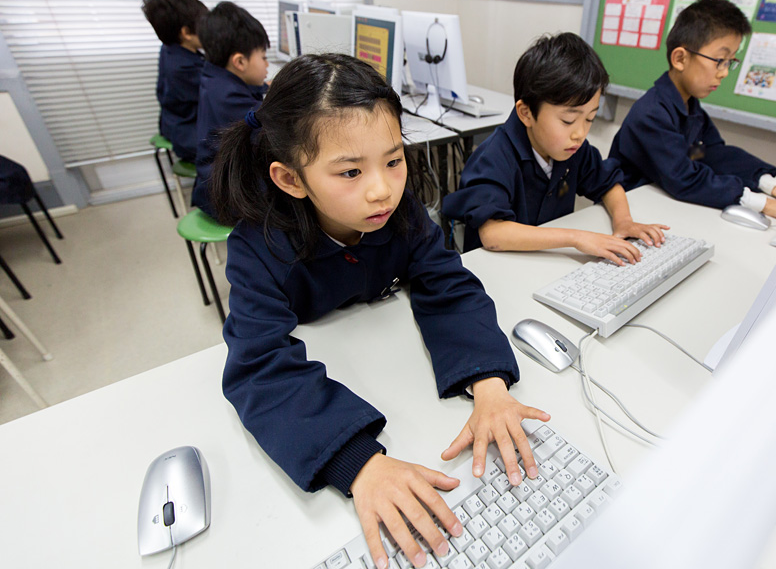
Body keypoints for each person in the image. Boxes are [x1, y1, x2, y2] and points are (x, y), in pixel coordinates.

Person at [211, 53, 548, 569]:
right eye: (350, 171)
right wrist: (359, 462)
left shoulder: (398, 211)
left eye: (393, 161)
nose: (382, 189)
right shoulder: (257, 247)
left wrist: (488, 382)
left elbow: (446, 281)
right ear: (291, 179)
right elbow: (259, 366)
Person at [442, 32, 668, 264]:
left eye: (589, 119)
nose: (580, 133)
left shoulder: (572, 149)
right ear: (526, 113)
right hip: (497, 268)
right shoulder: (494, 157)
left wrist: (624, 221)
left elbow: (608, 184)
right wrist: (576, 238)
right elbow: (493, 234)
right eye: (568, 121)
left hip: (545, 262)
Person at [608, 0, 776, 221]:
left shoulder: (691, 107)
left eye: (730, 62)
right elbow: (683, 178)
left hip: (664, 202)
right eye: (719, 60)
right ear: (680, 59)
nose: (724, 72)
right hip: (631, 209)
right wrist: (765, 205)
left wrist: (774, 187)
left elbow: (712, 154)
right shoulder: (651, 114)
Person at [191, 1, 270, 217]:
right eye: (263, 57)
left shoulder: (215, 77)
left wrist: (266, 86)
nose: (267, 65)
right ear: (239, 62)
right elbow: (270, 127)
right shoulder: (229, 97)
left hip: (218, 180)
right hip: (225, 195)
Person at [140, 0, 208, 162]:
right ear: (186, 33)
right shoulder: (182, 67)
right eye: (205, 25)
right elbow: (219, 90)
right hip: (189, 133)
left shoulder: (171, 48)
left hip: (175, 123)